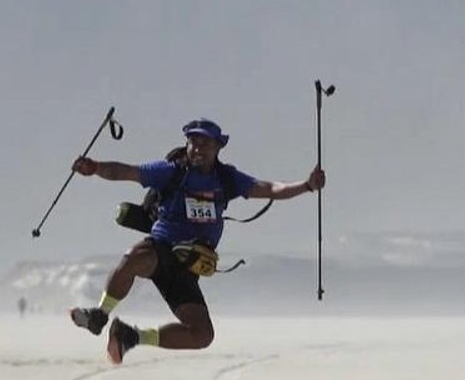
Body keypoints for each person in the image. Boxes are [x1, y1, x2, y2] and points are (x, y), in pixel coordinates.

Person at [68, 118, 325, 364]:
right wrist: (96, 168)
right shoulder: (172, 172)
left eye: (206, 143)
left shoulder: (227, 179)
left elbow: (268, 189)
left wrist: (306, 186)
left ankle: (130, 336)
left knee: (202, 335)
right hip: (162, 250)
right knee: (135, 258)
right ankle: (99, 316)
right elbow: (128, 172)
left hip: (187, 267)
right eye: (194, 142)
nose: (198, 148)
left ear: (218, 146)